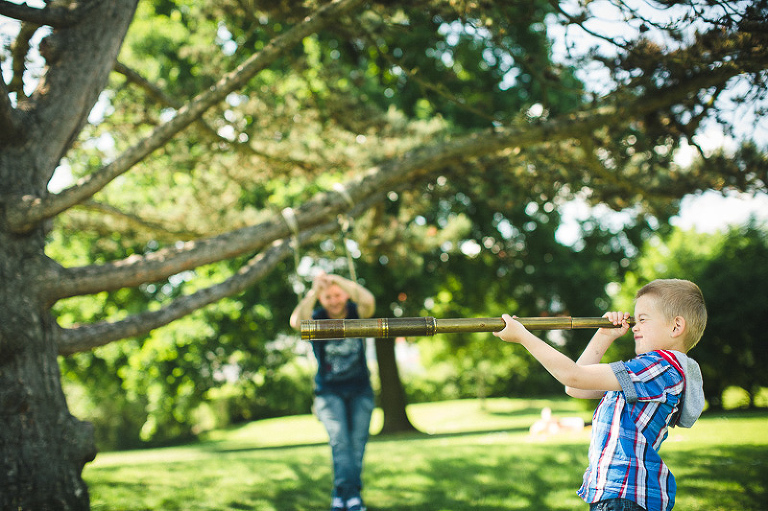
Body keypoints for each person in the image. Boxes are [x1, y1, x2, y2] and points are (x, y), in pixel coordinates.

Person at [494, 279, 707, 511]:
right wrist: (604, 335)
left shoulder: (658, 369)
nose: (634, 327)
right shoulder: (651, 372)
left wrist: (523, 337)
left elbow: (572, 376)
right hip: (620, 494)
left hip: (625, 496)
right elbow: (576, 388)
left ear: (676, 326)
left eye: (642, 319)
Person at [290, 272, 376, 511]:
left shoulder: (357, 314)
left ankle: (343, 496)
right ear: (322, 299)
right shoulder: (316, 319)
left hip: (361, 390)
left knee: (356, 444)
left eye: (338, 295)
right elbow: (296, 322)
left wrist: (338, 280)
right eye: (328, 297)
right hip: (329, 392)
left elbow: (369, 301)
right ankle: (351, 497)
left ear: (346, 295)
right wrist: (313, 292)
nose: (334, 300)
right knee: (340, 442)